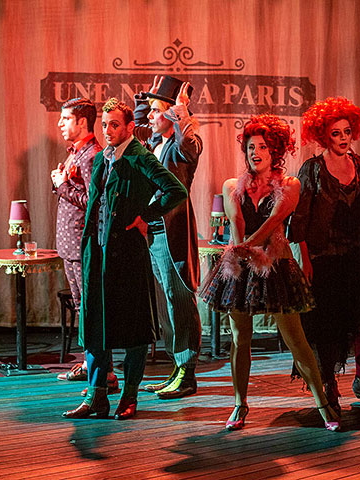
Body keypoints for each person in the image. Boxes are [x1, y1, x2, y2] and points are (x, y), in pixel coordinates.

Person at [199, 114, 340, 431]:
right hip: (242, 266)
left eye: (262, 147)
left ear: (275, 151)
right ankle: (239, 403)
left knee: (296, 340)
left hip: (276, 267)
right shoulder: (232, 186)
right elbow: (236, 222)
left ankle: (323, 404)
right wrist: (239, 252)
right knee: (240, 338)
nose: (255, 152)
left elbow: (274, 220)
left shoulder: (290, 185)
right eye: (251, 147)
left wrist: (247, 245)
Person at [62, 98, 187, 420]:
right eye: (105, 125)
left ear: (130, 127)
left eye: (114, 125)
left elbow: (175, 190)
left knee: (133, 329)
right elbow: (95, 202)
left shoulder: (139, 156)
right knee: (94, 325)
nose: (108, 130)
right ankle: (96, 396)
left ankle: (129, 396)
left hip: (128, 254)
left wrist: (146, 215)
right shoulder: (103, 158)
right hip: (97, 252)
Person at [288, 97, 360, 414]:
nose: (343, 138)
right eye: (336, 133)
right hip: (324, 258)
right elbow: (299, 221)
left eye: (346, 131)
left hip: (355, 254)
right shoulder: (312, 169)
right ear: (323, 136)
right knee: (328, 326)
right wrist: (305, 262)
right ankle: (328, 383)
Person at [132, 76, 203, 399]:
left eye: (156, 110)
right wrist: (145, 102)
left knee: (179, 299)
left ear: (172, 114)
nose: (150, 116)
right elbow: (137, 130)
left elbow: (191, 144)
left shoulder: (179, 146)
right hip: (153, 231)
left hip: (173, 232)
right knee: (165, 304)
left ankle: (187, 374)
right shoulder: (154, 144)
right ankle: (176, 368)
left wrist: (181, 110)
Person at [52, 98, 120, 395]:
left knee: (92, 310)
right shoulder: (76, 153)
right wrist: (61, 181)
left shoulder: (92, 155)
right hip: (71, 245)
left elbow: (96, 203)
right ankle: (90, 366)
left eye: (66, 118)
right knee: (83, 308)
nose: (60, 124)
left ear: (82, 122)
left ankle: (105, 375)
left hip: (83, 244)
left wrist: (62, 185)